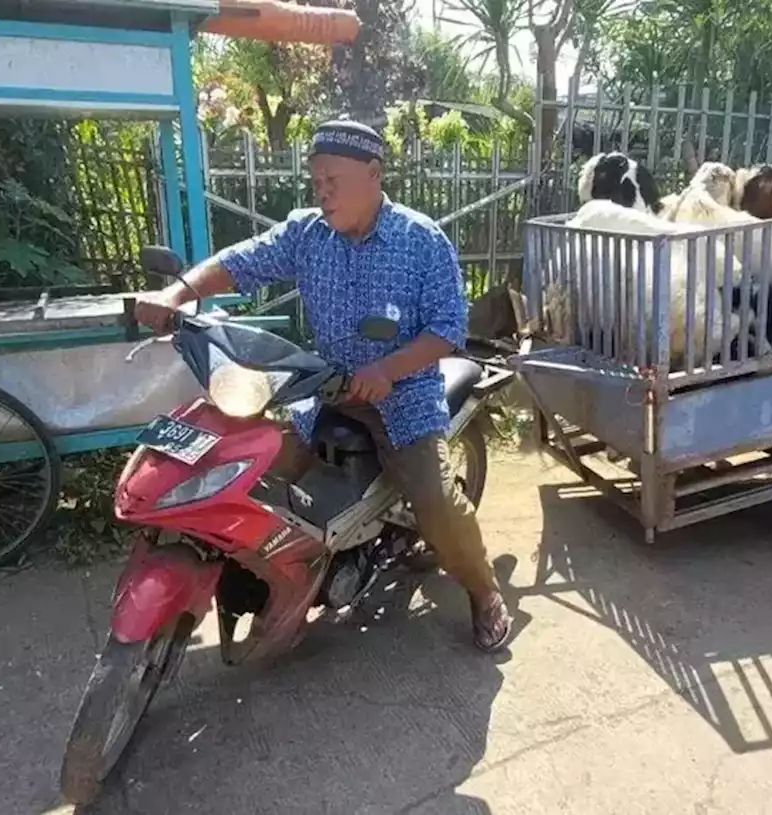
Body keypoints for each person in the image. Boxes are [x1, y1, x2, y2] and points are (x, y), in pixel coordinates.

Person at [134, 119, 512, 652]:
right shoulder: (307, 234)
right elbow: (239, 262)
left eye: (333, 178)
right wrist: (178, 294)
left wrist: (387, 371)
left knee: (434, 504)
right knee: (268, 477)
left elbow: (447, 328)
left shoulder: (421, 240)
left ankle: (483, 591)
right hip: (325, 390)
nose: (322, 191)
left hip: (404, 400)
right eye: (316, 179)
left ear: (373, 175)